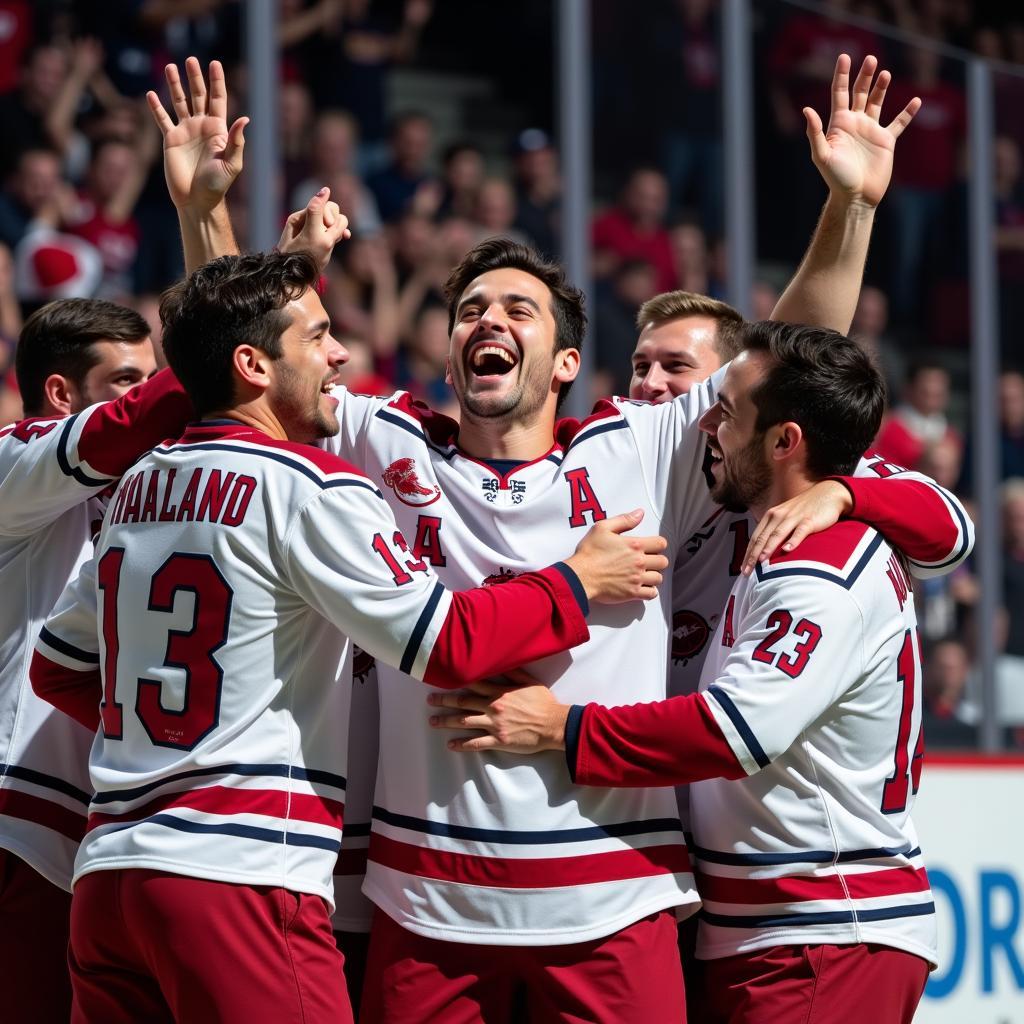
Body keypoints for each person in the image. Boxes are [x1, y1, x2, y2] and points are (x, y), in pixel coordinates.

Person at [160, 52, 955, 1023]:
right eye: (468, 311)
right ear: (445, 351)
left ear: (567, 359)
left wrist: (852, 205)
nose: (487, 320)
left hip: (614, 900)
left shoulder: (638, 446)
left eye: (516, 309)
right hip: (427, 904)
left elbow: (787, 366)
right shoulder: (384, 437)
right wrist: (206, 212)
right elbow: (243, 374)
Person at [29, 248, 668, 1024]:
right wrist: (576, 581)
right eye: (319, 337)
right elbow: (451, 647)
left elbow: (58, 671)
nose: (342, 356)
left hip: (109, 877)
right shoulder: (310, 485)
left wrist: (169, 746)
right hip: (241, 871)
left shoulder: (139, 484)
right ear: (253, 366)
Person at [429, 322, 956, 1024]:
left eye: (725, 409)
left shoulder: (820, 569)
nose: (704, 419)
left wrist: (562, 728)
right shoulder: (774, 522)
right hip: (766, 925)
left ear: (784, 441)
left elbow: (736, 732)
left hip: (823, 929)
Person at [0, 298, 192, 1024]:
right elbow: (130, 424)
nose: (144, 397)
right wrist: (234, 331)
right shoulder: (16, 457)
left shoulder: (147, 487)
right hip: (21, 826)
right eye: (128, 380)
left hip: (105, 829)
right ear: (60, 394)